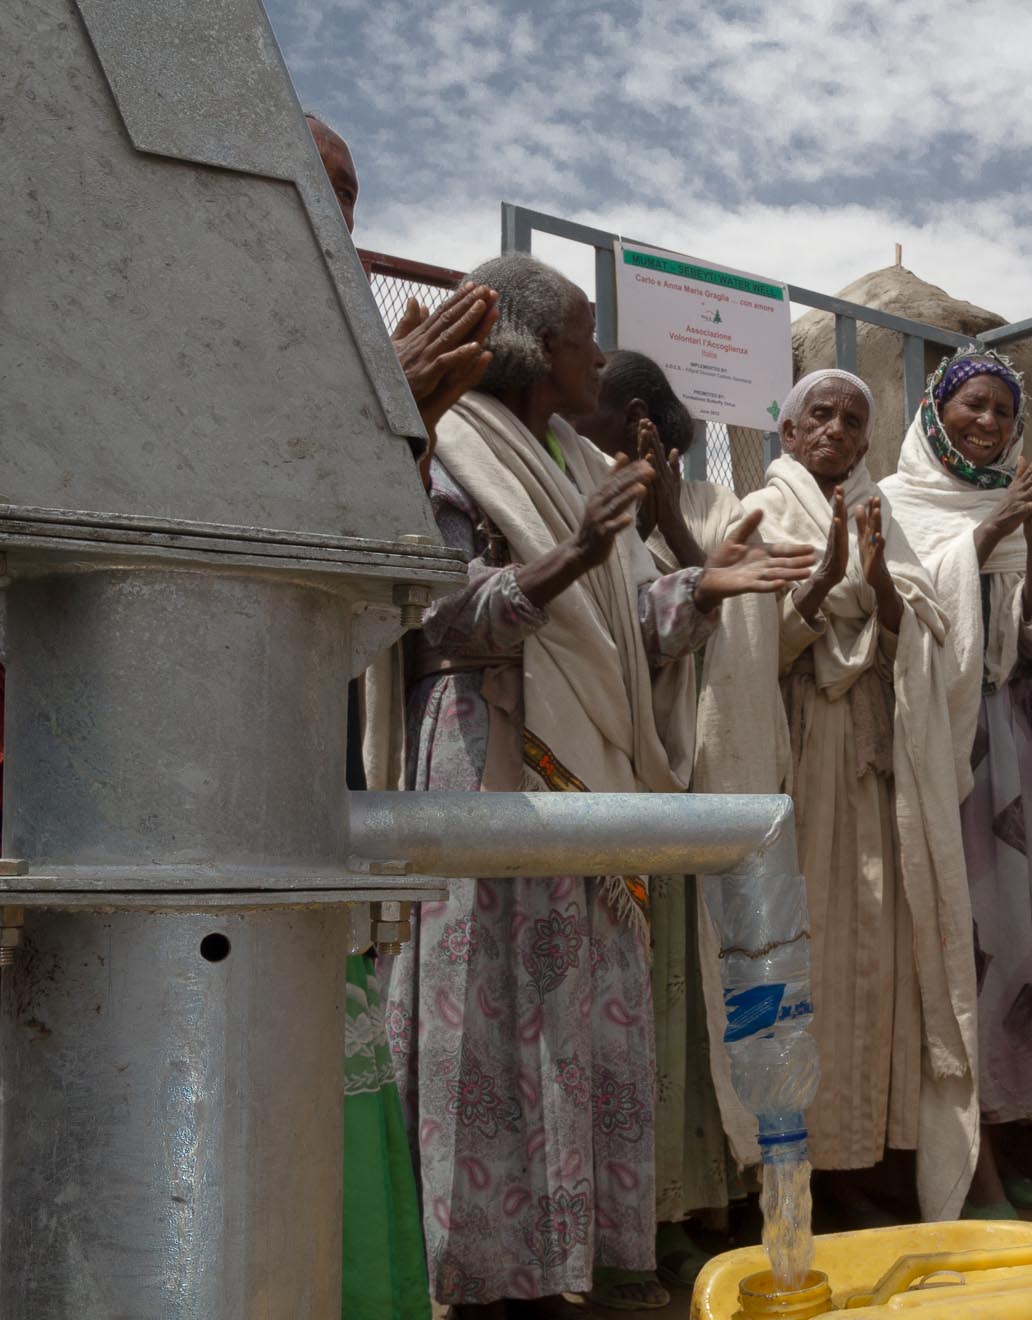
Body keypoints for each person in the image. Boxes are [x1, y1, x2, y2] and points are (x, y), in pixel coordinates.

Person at [371, 253, 812, 1315]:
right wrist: (572, 552)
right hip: (488, 759)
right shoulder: (453, 448)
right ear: (529, 345)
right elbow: (435, 618)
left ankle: (568, 1265)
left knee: (579, 1031)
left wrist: (696, 589)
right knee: (490, 1024)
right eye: (582, 334)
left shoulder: (569, 455)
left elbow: (618, 633)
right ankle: (480, 1271)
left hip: (585, 774)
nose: (598, 355)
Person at [309, 108, 500, 1320]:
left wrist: (398, 431)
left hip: (303, 751)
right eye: (307, 186)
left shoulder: (343, 367)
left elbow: (358, 599)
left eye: (348, 199)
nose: (330, 219)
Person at [742, 368, 981, 1223]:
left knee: (877, 955)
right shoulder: (761, 513)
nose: (837, 431)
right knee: (812, 953)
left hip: (878, 758)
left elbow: (918, 633)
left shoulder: (886, 519)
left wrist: (873, 574)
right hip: (805, 750)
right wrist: (828, 576)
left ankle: (865, 1155)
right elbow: (750, 649)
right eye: (820, 416)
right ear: (787, 431)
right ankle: (802, 1173)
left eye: (852, 420)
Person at [565, 350, 772, 1293]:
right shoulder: (568, 500)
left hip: (675, 786)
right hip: (603, 787)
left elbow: (702, 623)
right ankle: (633, 1219)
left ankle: (688, 1202)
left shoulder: (668, 519)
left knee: (682, 1009)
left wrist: (672, 528)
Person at [878, 350, 1032, 1217]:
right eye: (973, 407)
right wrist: (989, 531)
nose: (988, 425)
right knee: (953, 949)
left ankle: (1009, 1128)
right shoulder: (894, 500)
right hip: (935, 741)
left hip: (1009, 742)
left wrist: (1029, 533)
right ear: (935, 408)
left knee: (1020, 950)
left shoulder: (1022, 505)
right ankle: (957, 1159)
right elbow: (907, 617)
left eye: (1002, 412)